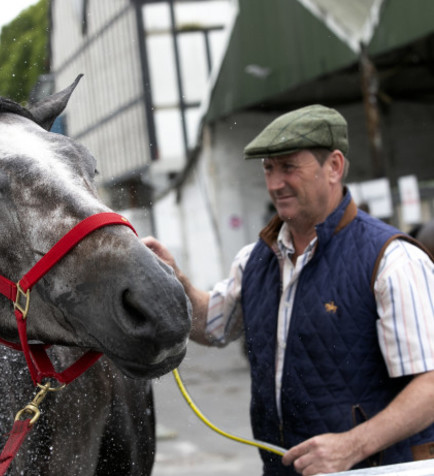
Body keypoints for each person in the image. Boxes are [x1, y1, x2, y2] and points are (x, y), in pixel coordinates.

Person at [144, 104, 434, 476]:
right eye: (268, 168)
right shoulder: (255, 260)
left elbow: (429, 385)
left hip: (378, 470)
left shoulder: (393, 260)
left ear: (334, 167)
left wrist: (351, 445)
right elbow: (210, 325)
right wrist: (175, 280)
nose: (275, 183)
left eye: (289, 167)